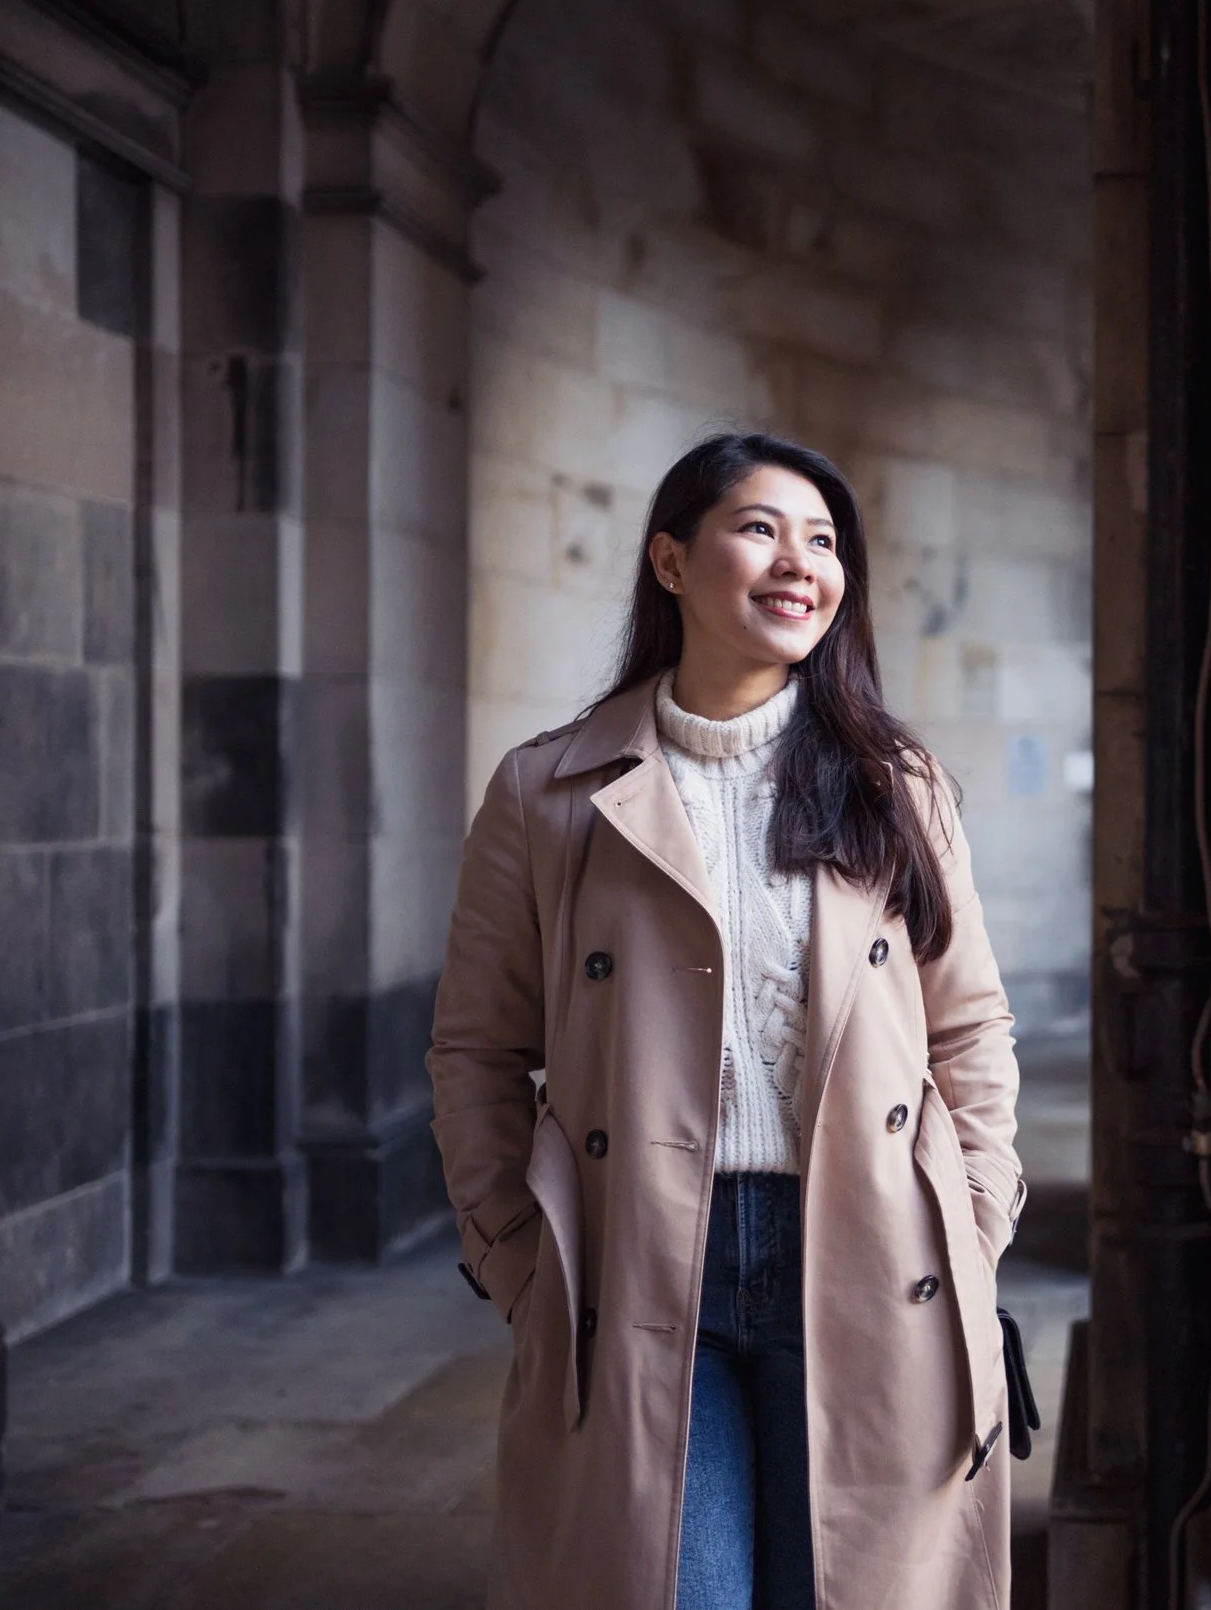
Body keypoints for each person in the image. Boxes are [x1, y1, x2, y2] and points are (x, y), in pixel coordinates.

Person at [428, 432, 1024, 1610]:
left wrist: (973, 1217)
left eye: (822, 539)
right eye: (759, 527)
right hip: (642, 1263)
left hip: (869, 1252)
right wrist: (515, 1253)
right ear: (669, 559)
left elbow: (968, 1031)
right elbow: (478, 1046)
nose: (800, 560)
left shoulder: (894, 784)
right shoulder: (546, 791)